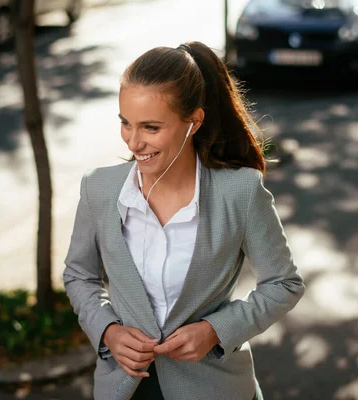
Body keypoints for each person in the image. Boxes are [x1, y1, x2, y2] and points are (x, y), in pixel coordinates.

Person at [63, 41, 305, 400]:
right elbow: (79, 275)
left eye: (151, 127)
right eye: (125, 123)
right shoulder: (98, 189)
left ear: (193, 122)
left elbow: (284, 284)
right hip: (124, 389)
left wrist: (215, 329)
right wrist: (108, 330)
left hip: (215, 388)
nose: (134, 142)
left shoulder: (240, 191)